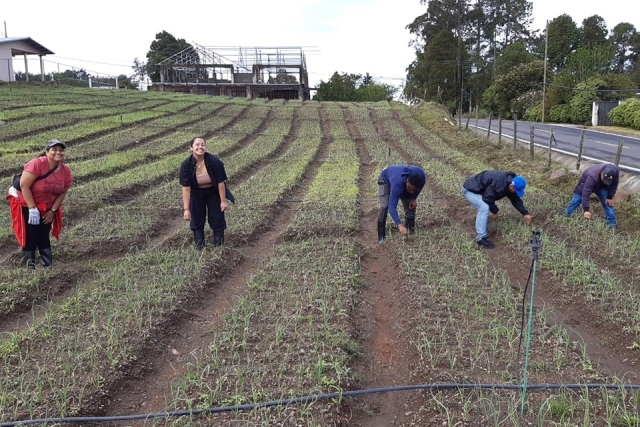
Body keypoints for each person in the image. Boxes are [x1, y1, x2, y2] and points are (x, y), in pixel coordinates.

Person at [7, 139, 73, 269]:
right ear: (47, 152)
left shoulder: (65, 171)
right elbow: (24, 186)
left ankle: (47, 264)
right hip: (26, 202)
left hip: (47, 205)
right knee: (30, 233)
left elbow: (62, 193)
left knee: (44, 232)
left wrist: (52, 211)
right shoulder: (36, 164)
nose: (58, 152)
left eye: (61, 150)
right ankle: (29, 266)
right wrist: (32, 209)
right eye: (54, 149)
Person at [179, 137, 231, 249]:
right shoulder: (186, 165)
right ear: (191, 147)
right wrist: (186, 209)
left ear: (205, 147)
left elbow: (220, 183)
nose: (200, 147)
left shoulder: (215, 162)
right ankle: (200, 247)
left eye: (203, 145)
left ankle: (219, 246)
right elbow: (186, 188)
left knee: (217, 219)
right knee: (197, 219)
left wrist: (223, 201)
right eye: (197, 145)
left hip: (213, 192)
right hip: (196, 193)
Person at [462, 170, 532, 249]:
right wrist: (495, 211)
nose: (515, 192)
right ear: (511, 186)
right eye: (516, 190)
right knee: (484, 208)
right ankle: (481, 239)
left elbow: (515, 200)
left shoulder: (509, 183)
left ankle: (483, 228)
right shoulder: (499, 183)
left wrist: (525, 213)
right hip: (470, 190)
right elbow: (488, 199)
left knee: (486, 207)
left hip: (480, 190)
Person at [377, 165, 426, 244]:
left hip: (400, 179)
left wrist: (413, 198)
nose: (412, 192)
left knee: (410, 204)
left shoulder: (421, 177)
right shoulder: (398, 184)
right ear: (407, 182)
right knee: (384, 206)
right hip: (385, 179)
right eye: (410, 189)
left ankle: (410, 232)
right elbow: (392, 206)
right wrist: (399, 225)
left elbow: (415, 190)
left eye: (415, 190)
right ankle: (381, 237)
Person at [564, 163, 618, 228]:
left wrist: (610, 197)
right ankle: (566, 216)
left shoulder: (615, 171)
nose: (605, 181)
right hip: (586, 183)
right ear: (602, 174)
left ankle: (612, 225)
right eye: (605, 180)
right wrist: (586, 210)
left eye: (608, 181)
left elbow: (614, 184)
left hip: (602, 187)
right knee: (575, 201)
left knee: (608, 203)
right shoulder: (592, 176)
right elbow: (586, 193)